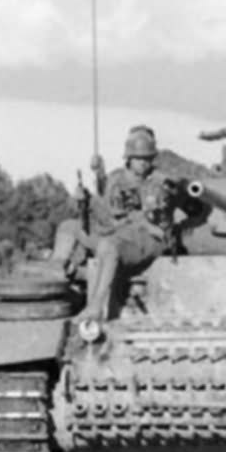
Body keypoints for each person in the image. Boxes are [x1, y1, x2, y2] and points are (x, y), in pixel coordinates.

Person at [49, 126, 191, 321]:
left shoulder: (161, 182)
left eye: (148, 158)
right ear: (129, 158)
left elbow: (182, 209)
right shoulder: (116, 180)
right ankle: (56, 275)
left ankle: (95, 307)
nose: (143, 163)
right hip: (120, 231)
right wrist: (82, 200)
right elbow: (105, 209)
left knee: (109, 247)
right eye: (139, 158)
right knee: (69, 227)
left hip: (148, 238)